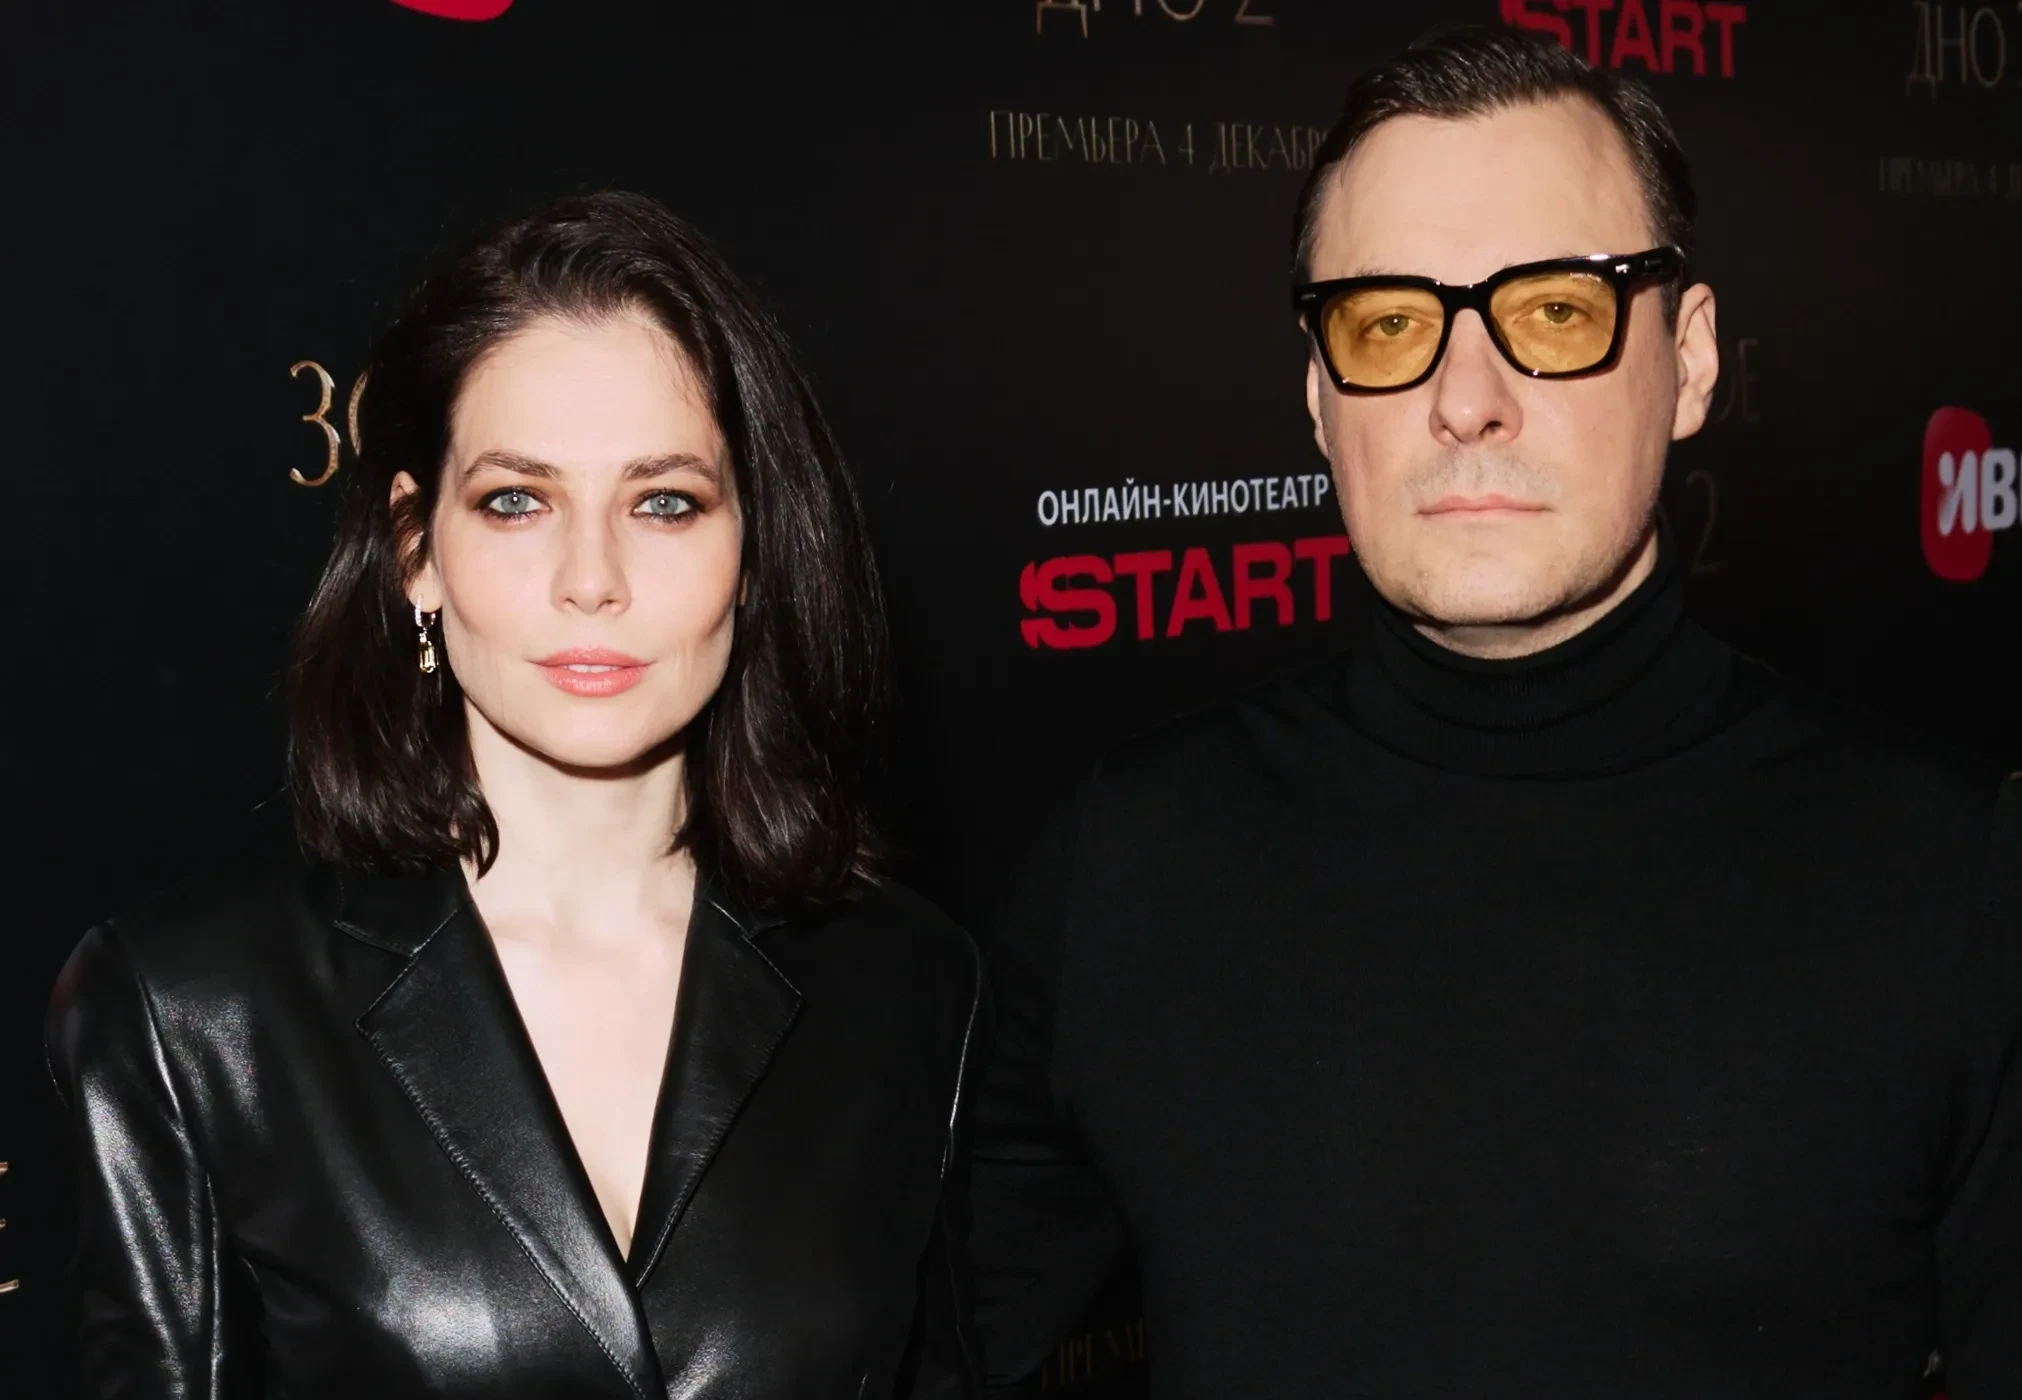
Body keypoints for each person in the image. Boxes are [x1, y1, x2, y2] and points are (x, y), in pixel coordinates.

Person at [967, 27, 2022, 1399]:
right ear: (1317, 395)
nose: (1465, 401)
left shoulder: (1956, 879)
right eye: (1388, 324)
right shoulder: (1127, 865)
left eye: (1556, 312)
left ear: (1692, 359)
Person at [47, 191, 981, 1398]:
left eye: (664, 501)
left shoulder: (908, 981)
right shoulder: (194, 1013)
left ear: (752, 552)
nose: (592, 577)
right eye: (517, 500)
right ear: (415, 550)